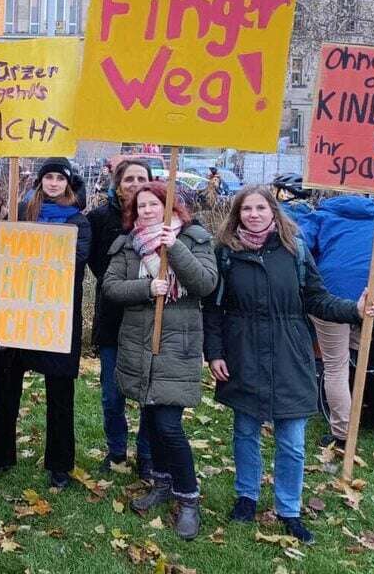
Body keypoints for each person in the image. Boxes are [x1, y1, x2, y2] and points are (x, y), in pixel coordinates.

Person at [204, 186, 374, 545]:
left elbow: (317, 298)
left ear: (273, 212)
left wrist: (355, 311)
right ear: (238, 214)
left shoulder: (294, 250)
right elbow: (214, 309)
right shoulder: (226, 253)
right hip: (243, 352)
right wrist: (215, 352)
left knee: (292, 441)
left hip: (289, 353)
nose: (253, 214)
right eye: (246, 209)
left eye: (260, 208)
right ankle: (246, 496)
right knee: (245, 432)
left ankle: (289, 508)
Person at [102, 181, 217, 540]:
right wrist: (146, 288)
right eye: (141, 207)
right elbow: (111, 287)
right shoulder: (128, 245)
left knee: (168, 425)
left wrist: (175, 247)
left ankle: (189, 497)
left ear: (171, 207)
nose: (147, 211)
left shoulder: (194, 239)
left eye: (154, 204)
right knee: (151, 420)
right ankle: (164, 484)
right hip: (140, 344)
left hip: (176, 345)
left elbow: (205, 284)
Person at [0, 159, 92, 488]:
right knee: (6, 389)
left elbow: (76, 261)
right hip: (18, 313)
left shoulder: (78, 221)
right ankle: (0, 456)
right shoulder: (21, 211)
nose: (53, 183)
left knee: (60, 392)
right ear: (40, 180)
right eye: (49, 177)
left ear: (68, 184)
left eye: (59, 179)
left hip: (55, 315)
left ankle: (60, 464)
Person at [294, 194, 374, 448]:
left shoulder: (321, 217)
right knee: (359, 355)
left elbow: (301, 246)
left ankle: (343, 434)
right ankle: (364, 408)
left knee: (335, 364)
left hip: (331, 294)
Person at [86, 158, 155, 475]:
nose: (136, 183)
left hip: (152, 321)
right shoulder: (100, 218)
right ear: (117, 183)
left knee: (149, 394)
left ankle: (147, 454)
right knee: (112, 394)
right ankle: (116, 451)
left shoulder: (161, 216)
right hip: (113, 318)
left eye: (143, 177)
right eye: (129, 179)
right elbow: (96, 264)